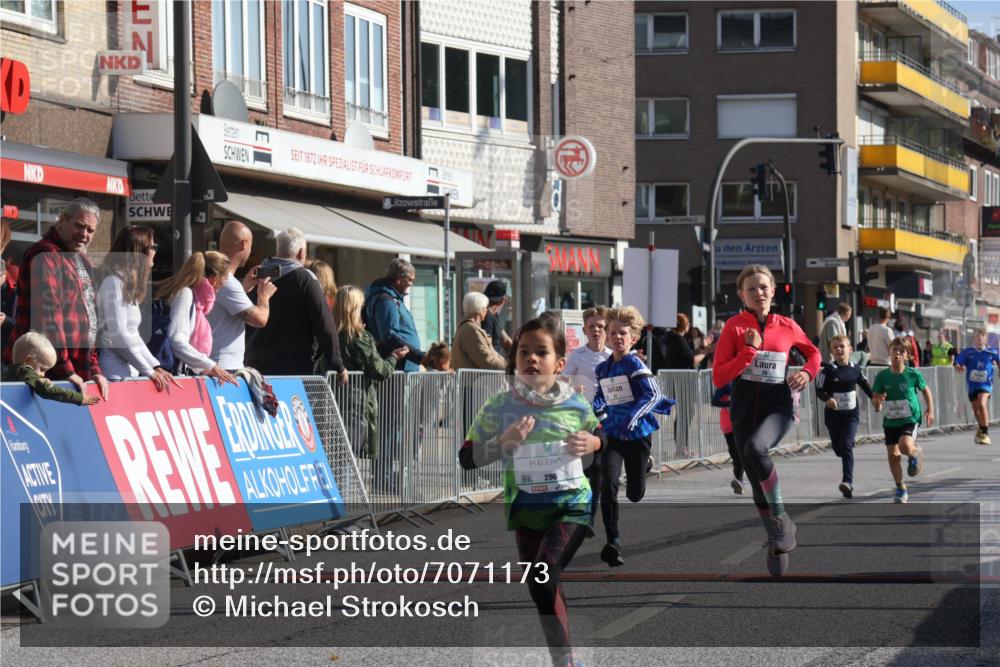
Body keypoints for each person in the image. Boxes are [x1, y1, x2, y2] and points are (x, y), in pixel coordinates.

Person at [459, 316, 603, 667]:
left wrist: (595, 441)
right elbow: (467, 458)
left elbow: (603, 443)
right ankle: (565, 659)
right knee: (541, 590)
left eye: (542, 352)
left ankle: (564, 663)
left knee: (544, 577)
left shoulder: (575, 403)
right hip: (526, 512)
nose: (532, 360)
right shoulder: (499, 406)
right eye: (524, 352)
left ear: (560, 362)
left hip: (571, 507)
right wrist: (502, 442)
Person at [712, 264, 820, 577]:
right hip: (744, 409)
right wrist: (747, 351)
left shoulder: (787, 325)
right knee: (755, 475)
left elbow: (814, 354)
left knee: (757, 449)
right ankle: (776, 537)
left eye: (763, 287)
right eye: (751, 289)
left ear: (773, 290)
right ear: (741, 295)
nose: (758, 293)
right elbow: (719, 376)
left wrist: (805, 373)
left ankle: (782, 519)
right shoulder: (733, 327)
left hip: (778, 406)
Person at [593, 306, 675, 568]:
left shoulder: (635, 364)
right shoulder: (603, 369)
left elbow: (652, 395)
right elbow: (602, 395)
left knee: (635, 494)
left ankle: (646, 462)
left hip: (637, 435)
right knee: (608, 483)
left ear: (633, 338)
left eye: (623, 334)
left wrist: (634, 416)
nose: (617, 337)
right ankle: (613, 540)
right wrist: (596, 406)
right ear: (607, 335)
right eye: (613, 333)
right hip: (613, 435)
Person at [3, 198, 109, 400]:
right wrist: (65, 369)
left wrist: (94, 368)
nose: (84, 235)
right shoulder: (45, 255)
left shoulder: (82, 260)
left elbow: (91, 319)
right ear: (62, 221)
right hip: (43, 372)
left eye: (90, 230)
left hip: (72, 374)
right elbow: (48, 317)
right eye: (79, 226)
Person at [245, 228, 347, 379]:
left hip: (256, 366)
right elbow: (324, 322)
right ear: (301, 253)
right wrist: (338, 364)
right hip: (294, 368)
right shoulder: (304, 278)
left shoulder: (255, 277)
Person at [332, 285, 408, 461]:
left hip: (334, 399)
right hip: (356, 403)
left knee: (338, 455)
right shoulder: (360, 337)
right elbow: (380, 370)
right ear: (354, 309)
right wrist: (394, 357)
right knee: (348, 457)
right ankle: (347, 489)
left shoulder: (330, 334)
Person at [96, 226, 176, 392]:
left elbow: (133, 336)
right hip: (113, 374)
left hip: (126, 372)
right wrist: (148, 371)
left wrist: (154, 366)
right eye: (153, 247)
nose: (155, 251)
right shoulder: (113, 283)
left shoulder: (123, 284)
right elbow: (118, 335)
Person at [154, 251, 237, 385]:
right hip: (168, 377)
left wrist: (206, 368)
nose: (225, 282)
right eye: (226, 277)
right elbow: (177, 339)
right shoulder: (185, 294)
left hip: (174, 375)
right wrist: (210, 365)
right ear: (215, 279)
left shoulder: (195, 300)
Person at [207, 220, 277, 373]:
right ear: (244, 243)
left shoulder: (219, 277)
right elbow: (260, 319)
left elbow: (226, 308)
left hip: (217, 364)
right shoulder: (227, 282)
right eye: (251, 245)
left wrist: (244, 286)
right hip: (223, 367)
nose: (251, 250)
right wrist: (263, 297)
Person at [872, 338, 932, 503]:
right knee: (893, 455)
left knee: (904, 445)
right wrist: (877, 404)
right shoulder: (882, 376)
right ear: (889, 353)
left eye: (901, 351)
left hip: (910, 418)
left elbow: (926, 390)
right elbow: (876, 399)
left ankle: (914, 452)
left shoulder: (913, 374)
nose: (897, 353)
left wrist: (930, 410)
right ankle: (900, 488)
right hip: (891, 421)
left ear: (907, 356)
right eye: (894, 350)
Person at [815, 335, 873, 499]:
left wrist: (875, 398)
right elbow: (819, 390)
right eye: (835, 347)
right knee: (839, 449)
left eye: (842, 346)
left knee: (846, 445)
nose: (839, 349)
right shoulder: (828, 370)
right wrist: (828, 399)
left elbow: (864, 384)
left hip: (851, 415)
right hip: (833, 416)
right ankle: (844, 447)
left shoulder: (855, 369)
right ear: (832, 351)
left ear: (850, 349)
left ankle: (847, 482)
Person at [364, 258, 427, 372]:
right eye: (410, 280)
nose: (412, 284)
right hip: (398, 369)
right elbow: (389, 336)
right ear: (398, 279)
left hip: (403, 367)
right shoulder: (386, 301)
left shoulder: (391, 299)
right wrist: (418, 356)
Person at [3, 331, 99, 405]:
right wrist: (79, 398)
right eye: (42, 369)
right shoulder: (25, 372)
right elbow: (47, 389)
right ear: (28, 360)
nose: (43, 375)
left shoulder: (6, 372)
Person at [953, 327, 1000, 445]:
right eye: (977, 336)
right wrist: (958, 367)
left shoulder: (991, 351)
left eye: (982, 336)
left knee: (982, 403)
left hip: (986, 384)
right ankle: (981, 427)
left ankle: (985, 432)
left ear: (985, 339)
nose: (979, 339)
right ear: (974, 338)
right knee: (975, 408)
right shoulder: (968, 351)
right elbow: (957, 362)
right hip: (972, 385)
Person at [563, 306, 611, 403]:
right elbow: (562, 383)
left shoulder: (613, 356)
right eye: (591, 326)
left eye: (600, 326)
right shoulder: (576, 355)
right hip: (584, 409)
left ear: (607, 330)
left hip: (608, 410)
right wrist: (573, 390)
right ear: (584, 330)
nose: (596, 329)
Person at [451, 292, 506, 371]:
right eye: (485, 308)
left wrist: (509, 364)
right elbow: (486, 359)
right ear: (479, 310)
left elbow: (492, 354)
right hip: (475, 381)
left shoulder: (468, 328)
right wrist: (508, 368)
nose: (486, 310)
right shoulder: (470, 330)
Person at [711, 382, 745, 495]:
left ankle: (740, 480)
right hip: (728, 424)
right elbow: (714, 401)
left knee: (743, 453)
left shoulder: (746, 384)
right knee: (735, 454)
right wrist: (730, 403)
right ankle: (739, 481)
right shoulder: (725, 386)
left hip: (742, 422)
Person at [482, 280, 512, 358]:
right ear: (503, 300)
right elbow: (488, 348)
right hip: (490, 365)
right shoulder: (487, 317)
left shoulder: (494, 315)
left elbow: (506, 340)